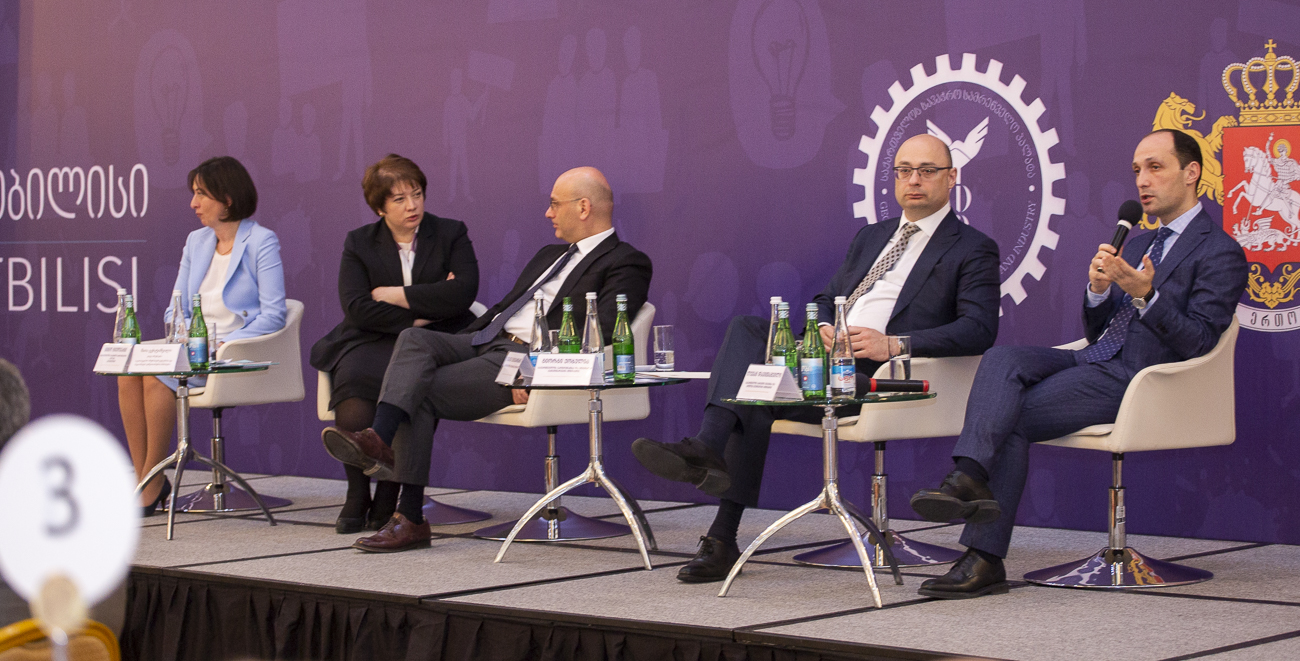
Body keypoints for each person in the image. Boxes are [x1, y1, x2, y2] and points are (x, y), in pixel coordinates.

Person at [630, 134, 1002, 583]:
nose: (914, 181)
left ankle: (720, 519)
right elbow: (828, 298)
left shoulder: (971, 247)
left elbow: (979, 328)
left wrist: (894, 344)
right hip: (821, 364)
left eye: (927, 171)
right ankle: (711, 464)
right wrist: (822, 326)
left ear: (952, 176)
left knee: (751, 393)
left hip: (875, 375)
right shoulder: (873, 236)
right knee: (748, 338)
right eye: (904, 171)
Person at [908, 129, 1249, 599]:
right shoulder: (1139, 244)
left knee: (1009, 418)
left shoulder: (1219, 250)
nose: (1142, 181)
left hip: (1140, 378)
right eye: (1136, 170)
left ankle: (982, 551)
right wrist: (1099, 292)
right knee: (1003, 358)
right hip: (1093, 359)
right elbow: (1099, 329)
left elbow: (1199, 341)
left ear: (1191, 173)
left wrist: (1145, 294)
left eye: (1155, 167)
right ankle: (968, 478)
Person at [320, 166, 652, 552]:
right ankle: (378, 439)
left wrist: (533, 372)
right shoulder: (550, 255)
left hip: (523, 358)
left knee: (417, 390)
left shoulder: (626, 262)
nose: (548, 213)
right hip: (484, 340)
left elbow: (605, 329)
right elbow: (506, 308)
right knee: (414, 339)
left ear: (583, 207)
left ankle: (408, 517)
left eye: (554, 204)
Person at [310, 154, 479, 534]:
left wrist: (392, 294)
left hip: (431, 340)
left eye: (416, 194)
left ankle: (389, 492)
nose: (412, 205)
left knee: (410, 380)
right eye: (399, 199)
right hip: (370, 336)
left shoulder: (450, 232)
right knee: (354, 382)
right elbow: (357, 306)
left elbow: (463, 293)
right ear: (379, 207)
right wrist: (421, 310)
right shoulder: (359, 242)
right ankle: (357, 493)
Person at [118, 156, 286, 516]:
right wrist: (180, 336)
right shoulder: (196, 242)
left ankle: (151, 486)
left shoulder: (261, 241)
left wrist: (225, 343)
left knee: (155, 377)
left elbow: (274, 314)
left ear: (227, 198)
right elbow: (174, 308)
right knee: (128, 373)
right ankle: (146, 477)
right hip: (190, 349)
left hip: (233, 351)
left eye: (201, 194)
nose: (193, 203)